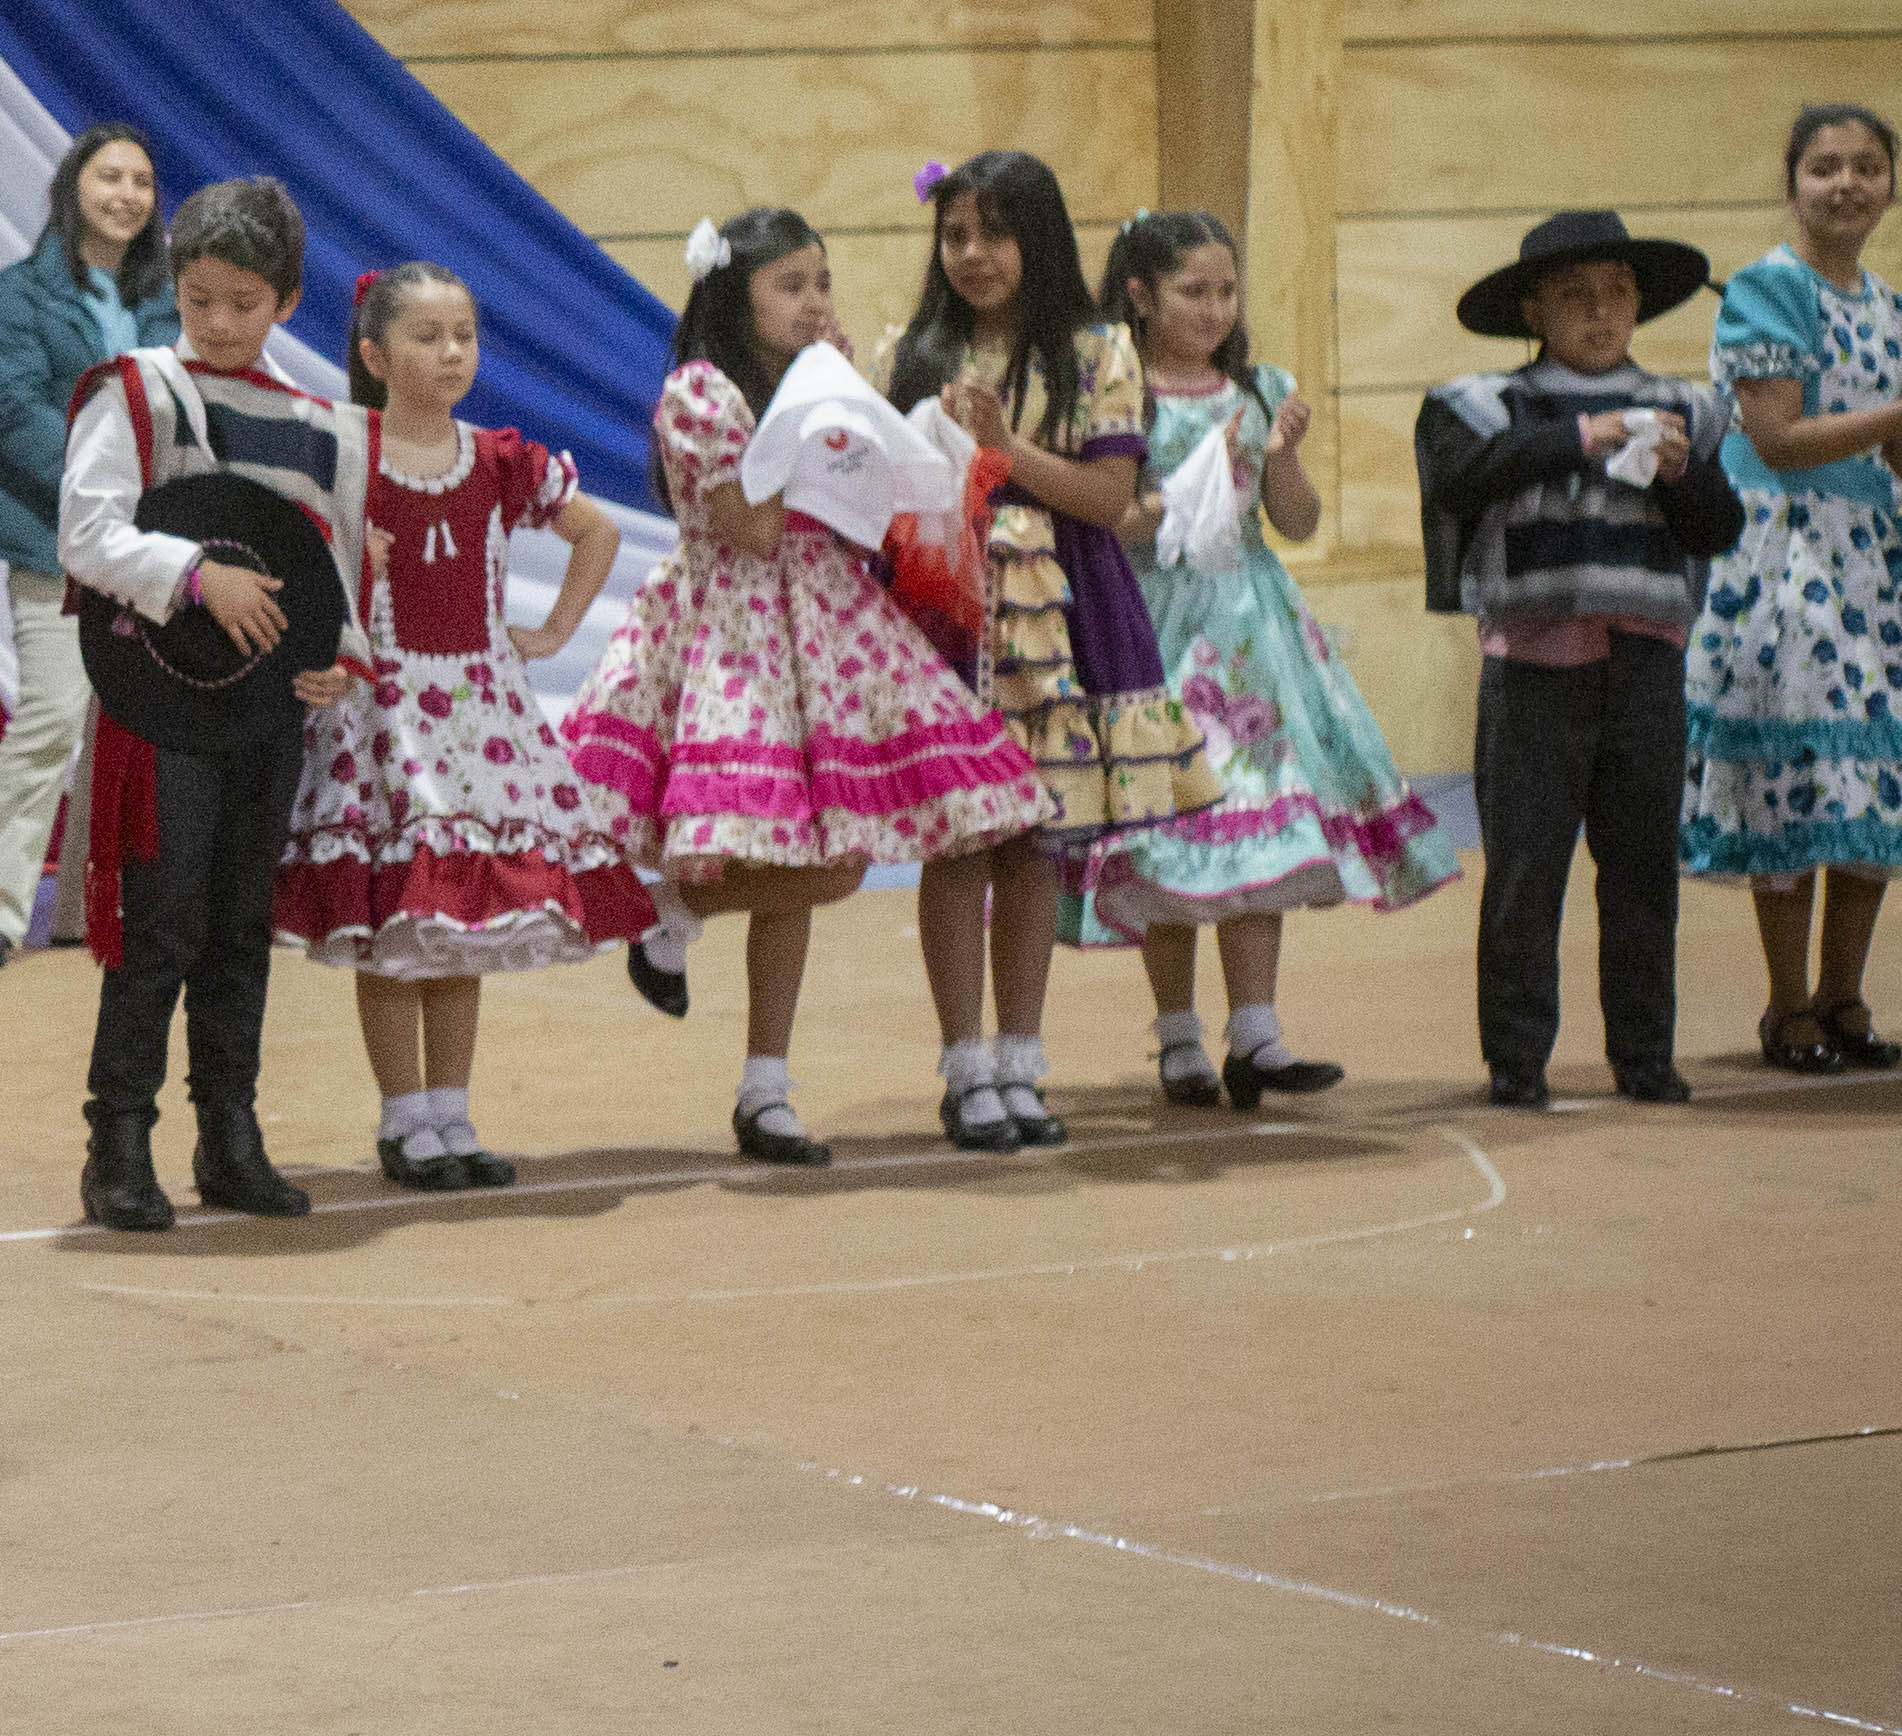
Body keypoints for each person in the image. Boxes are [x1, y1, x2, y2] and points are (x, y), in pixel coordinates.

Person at [565, 209, 1047, 1164]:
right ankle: (670, 917)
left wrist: (852, 416)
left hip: (827, 622)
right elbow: (750, 531)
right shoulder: (702, 392)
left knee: (821, 855)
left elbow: (857, 520)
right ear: (732, 294)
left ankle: (764, 1085)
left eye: (821, 282)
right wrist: (814, 412)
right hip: (733, 631)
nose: (814, 301)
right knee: (810, 860)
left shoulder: (818, 377)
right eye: (790, 285)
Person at [275, 263, 653, 1188]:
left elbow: (597, 533)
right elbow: (294, 559)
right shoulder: (342, 450)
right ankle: (403, 1118)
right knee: (392, 921)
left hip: (478, 720)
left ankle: (451, 1111)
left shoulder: (497, 459)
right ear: (374, 355)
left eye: (465, 336)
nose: (452, 353)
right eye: (427, 337)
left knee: (460, 921)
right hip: (383, 718)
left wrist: (551, 633)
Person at [886, 152, 1220, 1150]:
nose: (973, 254)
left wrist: (1003, 447)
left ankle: (1021, 1063)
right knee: (960, 842)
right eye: (955, 235)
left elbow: (1109, 501)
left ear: (1040, 236)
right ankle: (965, 1068)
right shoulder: (916, 353)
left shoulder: (1097, 350)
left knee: (1034, 838)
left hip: (1063, 616)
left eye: (995, 233)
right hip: (949, 616)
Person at [1085, 210, 1459, 1099]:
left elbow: (1294, 520)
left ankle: (1257, 1032)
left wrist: (1278, 457)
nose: (1216, 309)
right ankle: (1178, 1036)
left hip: (1250, 629)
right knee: (1171, 831)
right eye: (1193, 291)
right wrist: (1193, 482)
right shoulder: (1117, 393)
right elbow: (1112, 519)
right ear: (1141, 295)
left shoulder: (1258, 390)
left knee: (1257, 824)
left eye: (1227, 291)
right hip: (1156, 624)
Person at [57, 176, 356, 1226]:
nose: (220, 323)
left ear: (288, 301)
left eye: (245, 303)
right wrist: (196, 575)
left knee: (239, 925)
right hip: (161, 705)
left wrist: (338, 661)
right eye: (199, 300)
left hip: (267, 713)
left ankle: (231, 1137)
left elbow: (329, 575)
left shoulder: (318, 422)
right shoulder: (135, 392)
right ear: (174, 287)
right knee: (161, 925)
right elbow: (86, 536)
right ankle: (117, 1144)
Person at [1680, 104, 1902, 1070]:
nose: (1847, 184)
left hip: (1868, 557)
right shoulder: (1767, 291)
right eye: (1825, 167)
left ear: (1891, 186)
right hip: (1779, 553)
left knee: (1877, 776)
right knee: (1792, 779)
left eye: (1867, 166)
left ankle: (1844, 997)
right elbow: (1778, 439)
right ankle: (1788, 1006)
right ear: (1793, 184)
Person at [1416, 211, 1749, 1108]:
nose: (1600, 312)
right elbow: (1455, 482)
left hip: (1647, 669)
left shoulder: (1686, 408)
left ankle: (1645, 1055)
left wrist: (1682, 474)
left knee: (1643, 871)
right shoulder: (1483, 404)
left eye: (1616, 293)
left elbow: (1719, 529)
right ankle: (1517, 1060)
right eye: (1574, 296)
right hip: (1532, 672)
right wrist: (1581, 437)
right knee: (1526, 872)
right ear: (1533, 310)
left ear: (1639, 303)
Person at [0, 128, 179, 969]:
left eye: (141, 182)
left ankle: (89, 907)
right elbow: (14, 412)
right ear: (72, 187)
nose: (127, 194)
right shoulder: (15, 294)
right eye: (109, 176)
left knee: (126, 725)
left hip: (149, 542)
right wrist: (102, 495)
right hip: (52, 537)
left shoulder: (174, 301)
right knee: (51, 716)